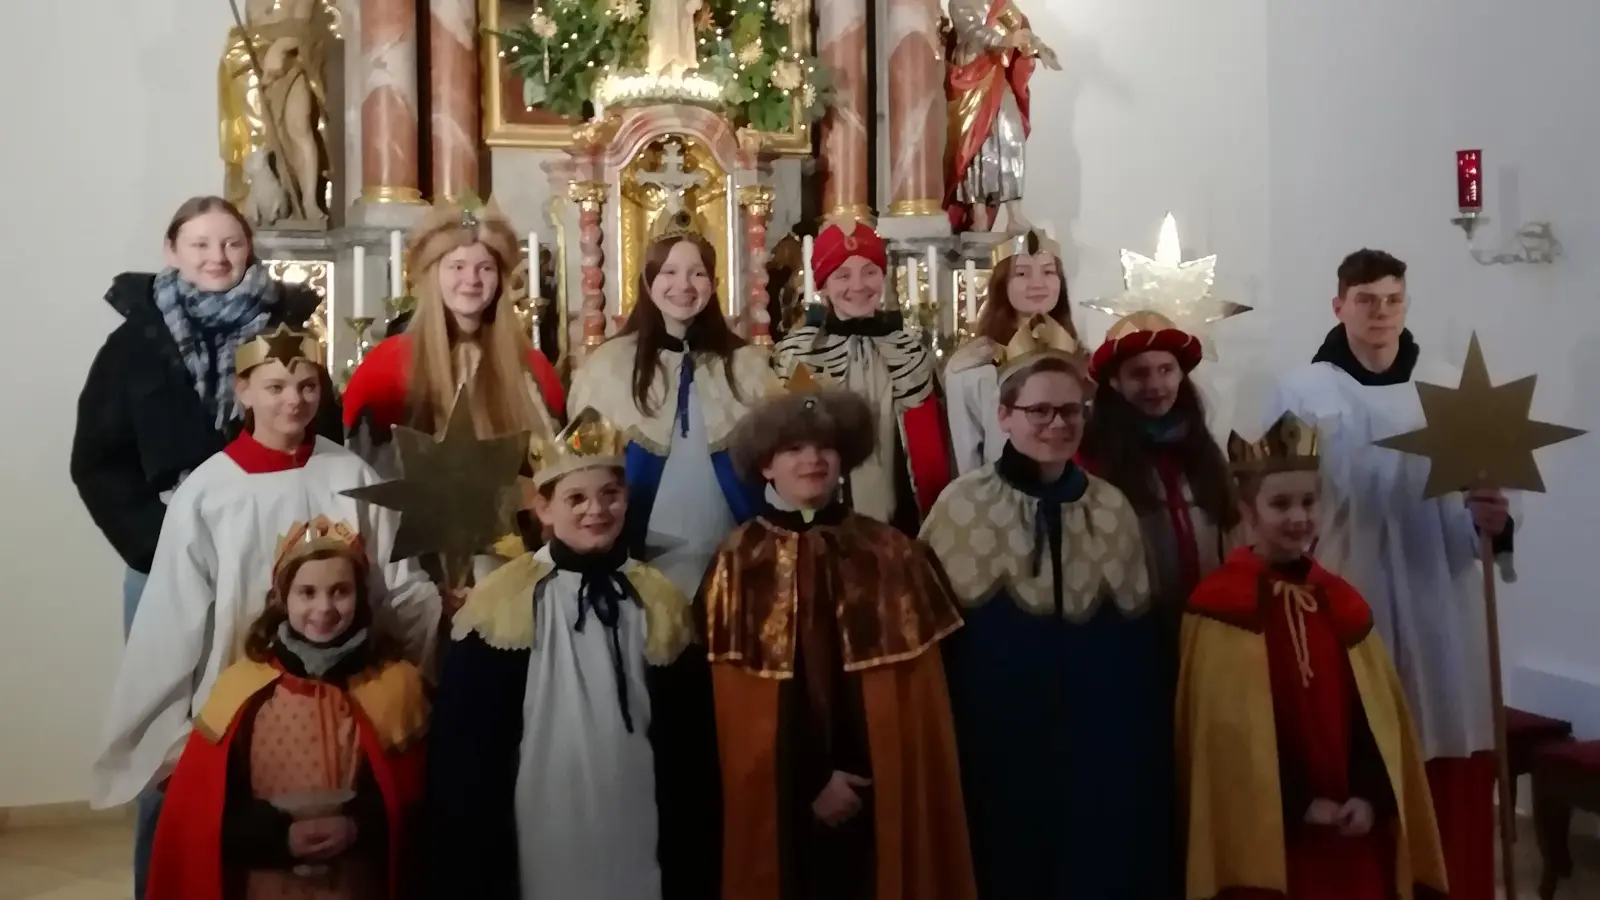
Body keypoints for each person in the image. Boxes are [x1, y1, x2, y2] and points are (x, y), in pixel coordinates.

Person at [91, 326, 439, 896]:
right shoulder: (208, 492)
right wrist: (166, 735)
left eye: (307, 386)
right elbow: (172, 619)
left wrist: (418, 668)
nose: (293, 401)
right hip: (246, 705)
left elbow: (398, 588)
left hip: (348, 701)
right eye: (275, 387)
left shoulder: (352, 475)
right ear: (243, 392)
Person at [1266, 248, 1514, 900]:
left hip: (1439, 594)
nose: (1381, 313)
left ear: (1405, 304)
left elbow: (1483, 496)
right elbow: (1278, 496)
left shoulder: (1448, 388)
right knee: (1361, 738)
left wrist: (1492, 521)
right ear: (1339, 306)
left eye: (1393, 300)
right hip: (1348, 586)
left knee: (1443, 734)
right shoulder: (1303, 391)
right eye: (1366, 300)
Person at [422, 408, 720, 900]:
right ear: (544, 508)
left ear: (626, 498)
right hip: (542, 822)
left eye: (610, 494)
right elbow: (468, 752)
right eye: (575, 498)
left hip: (634, 818)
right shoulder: (503, 602)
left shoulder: (658, 599)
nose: (595, 510)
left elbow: (688, 745)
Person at [921, 319, 1174, 899]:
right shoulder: (961, 507)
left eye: (1071, 411)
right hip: (995, 752)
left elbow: (1139, 651)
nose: (1057, 424)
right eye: (1039, 411)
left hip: (1096, 755)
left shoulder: (1111, 507)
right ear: (1005, 416)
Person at [701, 381, 976, 900]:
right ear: (766, 465)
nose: (812, 459)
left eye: (825, 447)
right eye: (793, 448)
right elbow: (732, 707)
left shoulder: (892, 552)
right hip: (784, 799)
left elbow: (923, 694)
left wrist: (863, 770)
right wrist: (809, 779)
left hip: (882, 786)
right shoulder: (738, 562)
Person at [1177, 412, 1446, 900]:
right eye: (1280, 504)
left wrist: (1368, 794)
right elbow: (1228, 741)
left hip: (1349, 828)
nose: (1298, 517)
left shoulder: (1340, 601)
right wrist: (1299, 801)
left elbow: (1375, 718)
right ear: (1248, 510)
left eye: (1308, 502)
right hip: (1274, 833)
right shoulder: (1219, 608)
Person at [72, 195, 343, 636]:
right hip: (165, 557)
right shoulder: (133, 344)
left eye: (231, 244)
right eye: (200, 245)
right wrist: (160, 545)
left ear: (248, 247)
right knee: (161, 678)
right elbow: (99, 460)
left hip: (274, 555)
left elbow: (325, 440)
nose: (217, 257)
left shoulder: (288, 334)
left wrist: (301, 546)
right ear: (172, 250)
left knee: (264, 678)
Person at [144, 518, 429, 900]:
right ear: (282, 599)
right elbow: (205, 815)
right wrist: (280, 836)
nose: (324, 607)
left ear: (361, 596)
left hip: (359, 885)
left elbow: (420, 804)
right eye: (307, 593)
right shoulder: (241, 691)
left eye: (340, 591)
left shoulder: (396, 686)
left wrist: (356, 826)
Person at [570, 215, 779, 599]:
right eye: (669, 272)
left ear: (713, 283)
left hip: (731, 556)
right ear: (648, 281)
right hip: (640, 560)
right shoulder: (608, 367)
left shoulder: (747, 366)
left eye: (697, 273)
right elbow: (579, 466)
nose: (683, 285)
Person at [342, 195, 564, 469]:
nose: (472, 279)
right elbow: (364, 469)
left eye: (485, 268)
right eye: (457, 266)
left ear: (500, 279)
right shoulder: (388, 365)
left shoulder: (531, 368)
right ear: (433, 274)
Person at [772, 217, 950, 533]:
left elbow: (931, 450)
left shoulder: (909, 353)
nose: (858, 286)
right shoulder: (799, 355)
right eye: (843, 275)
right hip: (823, 525)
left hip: (899, 521)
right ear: (823, 285)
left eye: (869, 272)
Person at [1079, 309, 1238, 637]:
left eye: (1166, 370)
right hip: (1134, 632)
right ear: (1115, 381)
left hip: (1210, 626)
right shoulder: (1092, 461)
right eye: (1139, 373)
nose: (1155, 385)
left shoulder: (1203, 452)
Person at [945, 227, 1080, 474]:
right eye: (1022, 273)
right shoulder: (971, 368)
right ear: (1002, 284)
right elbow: (966, 459)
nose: (1037, 283)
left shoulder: (1082, 359)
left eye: (1048, 272)